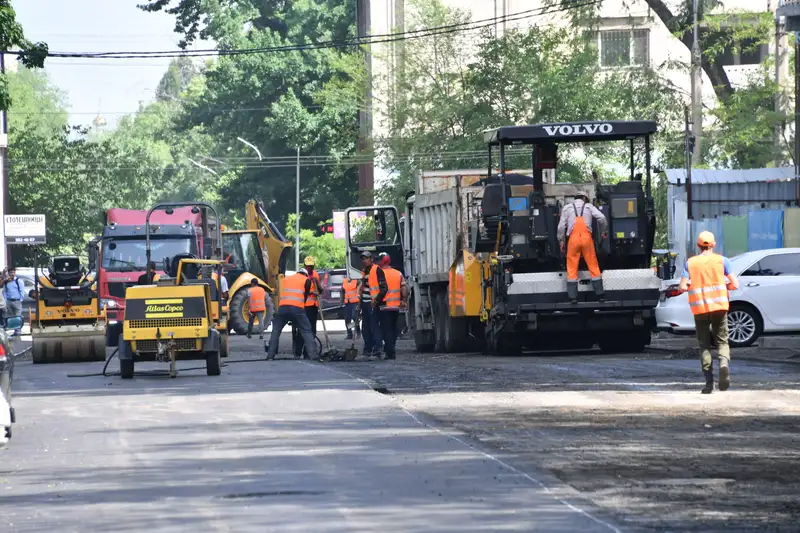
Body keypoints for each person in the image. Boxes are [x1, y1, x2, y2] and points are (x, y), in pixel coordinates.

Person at [679, 231, 739, 394]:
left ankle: (708, 383)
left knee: (704, 344)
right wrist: (725, 286)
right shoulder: (722, 261)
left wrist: (692, 286)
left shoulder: (690, 263)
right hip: (719, 306)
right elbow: (735, 284)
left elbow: (683, 287)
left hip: (700, 309)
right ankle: (724, 364)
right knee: (722, 341)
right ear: (713, 245)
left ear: (698, 246)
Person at [557, 193, 608, 303]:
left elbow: (561, 227)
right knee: (593, 264)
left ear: (574, 199)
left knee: (571, 266)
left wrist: (561, 241)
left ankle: (573, 297)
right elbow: (602, 218)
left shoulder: (567, 208)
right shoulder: (589, 206)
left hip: (573, 239)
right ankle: (600, 295)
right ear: (584, 199)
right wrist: (604, 231)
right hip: (586, 238)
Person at [266, 268, 318, 361]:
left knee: (276, 331)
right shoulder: (307, 280)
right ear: (305, 274)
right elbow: (305, 296)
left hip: (283, 308)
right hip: (298, 308)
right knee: (306, 331)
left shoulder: (287, 279)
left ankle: (270, 355)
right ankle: (313, 355)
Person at [375, 253, 408, 360]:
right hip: (395, 307)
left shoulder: (377, 274)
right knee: (393, 329)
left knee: (386, 330)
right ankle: (391, 348)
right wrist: (404, 300)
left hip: (383, 307)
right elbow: (404, 288)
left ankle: (390, 352)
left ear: (381, 261)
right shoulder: (398, 273)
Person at [360, 251, 386, 358]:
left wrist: (376, 300)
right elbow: (364, 286)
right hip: (364, 302)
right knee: (365, 327)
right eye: (363, 259)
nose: (364, 260)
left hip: (372, 303)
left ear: (371, 259)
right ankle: (368, 349)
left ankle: (377, 349)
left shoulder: (377, 270)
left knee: (374, 326)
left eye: (366, 258)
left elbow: (384, 288)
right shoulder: (364, 271)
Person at [295, 256, 322, 358]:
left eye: (311, 266)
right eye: (307, 266)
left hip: (313, 307)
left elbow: (320, 290)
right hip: (303, 306)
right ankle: (298, 352)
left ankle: (308, 352)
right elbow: (300, 291)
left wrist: (317, 283)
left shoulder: (315, 275)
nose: (309, 268)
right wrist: (311, 292)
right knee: (301, 329)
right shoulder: (301, 276)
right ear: (304, 265)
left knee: (312, 330)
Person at [3, 268, 25, 336]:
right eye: (11, 272)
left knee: (18, 316)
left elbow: (22, 291)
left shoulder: (18, 281)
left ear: (15, 273)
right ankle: (14, 331)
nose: (12, 274)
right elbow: (5, 291)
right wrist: (6, 300)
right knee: (12, 317)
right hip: (9, 301)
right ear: (8, 273)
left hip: (17, 301)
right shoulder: (6, 282)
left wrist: (21, 299)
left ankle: (18, 331)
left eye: (13, 272)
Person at [341, 275, 360, 339]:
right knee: (347, 319)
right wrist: (341, 301)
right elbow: (342, 292)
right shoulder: (344, 280)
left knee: (354, 316)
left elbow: (360, 290)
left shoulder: (357, 280)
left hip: (355, 302)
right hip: (347, 302)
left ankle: (358, 331)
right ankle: (349, 334)